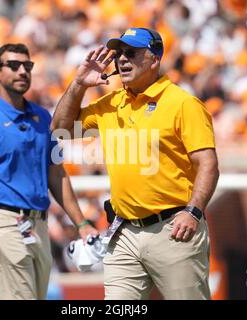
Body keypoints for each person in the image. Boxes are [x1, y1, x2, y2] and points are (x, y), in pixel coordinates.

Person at [52, 28, 219, 299]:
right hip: (124, 233)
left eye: (132, 53)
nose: (122, 60)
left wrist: (194, 212)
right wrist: (79, 83)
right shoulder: (111, 103)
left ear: (154, 59)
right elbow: (60, 129)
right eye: (119, 54)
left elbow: (208, 164)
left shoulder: (183, 103)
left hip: (173, 228)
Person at [0, 43, 97, 300]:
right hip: (3, 223)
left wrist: (82, 222)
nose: (23, 71)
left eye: (27, 66)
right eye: (14, 65)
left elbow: (56, 173)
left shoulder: (42, 118)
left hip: (38, 225)